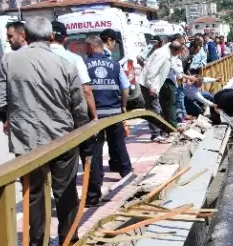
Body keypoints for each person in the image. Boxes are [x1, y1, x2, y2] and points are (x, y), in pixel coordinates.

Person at [0, 16, 89, 246]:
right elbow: (78, 106)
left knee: (34, 193)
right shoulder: (65, 63)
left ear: (26, 35)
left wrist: (13, 114)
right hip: (62, 137)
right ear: (51, 36)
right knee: (65, 190)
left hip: (27, 139)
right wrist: (82, 132)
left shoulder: (9, 61)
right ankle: (68, 238)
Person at [84, 35, 132, 205]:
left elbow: (84, 90)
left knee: (95, 153)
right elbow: (125, 88)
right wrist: (123, 106)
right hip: (113, 111)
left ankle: (93, 194)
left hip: (94, 116)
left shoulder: (84, 64)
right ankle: (128, 175)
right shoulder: (114, 64)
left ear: (90, 48)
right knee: (118, 144)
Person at [49, 21, 97, 120]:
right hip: (67, 116)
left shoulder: (34, 57)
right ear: (65, 39)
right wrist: (94, 116)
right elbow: (86, 89)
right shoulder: (75, 59)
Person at [139, 37, 172, 140]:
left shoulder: (164, 52)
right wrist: (151, 86)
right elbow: (151, 69)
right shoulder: (157, 51)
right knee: (153, 108)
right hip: (149, 83)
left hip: (153, 83)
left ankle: (159, 131)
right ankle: (156, 133)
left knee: (156, 107)